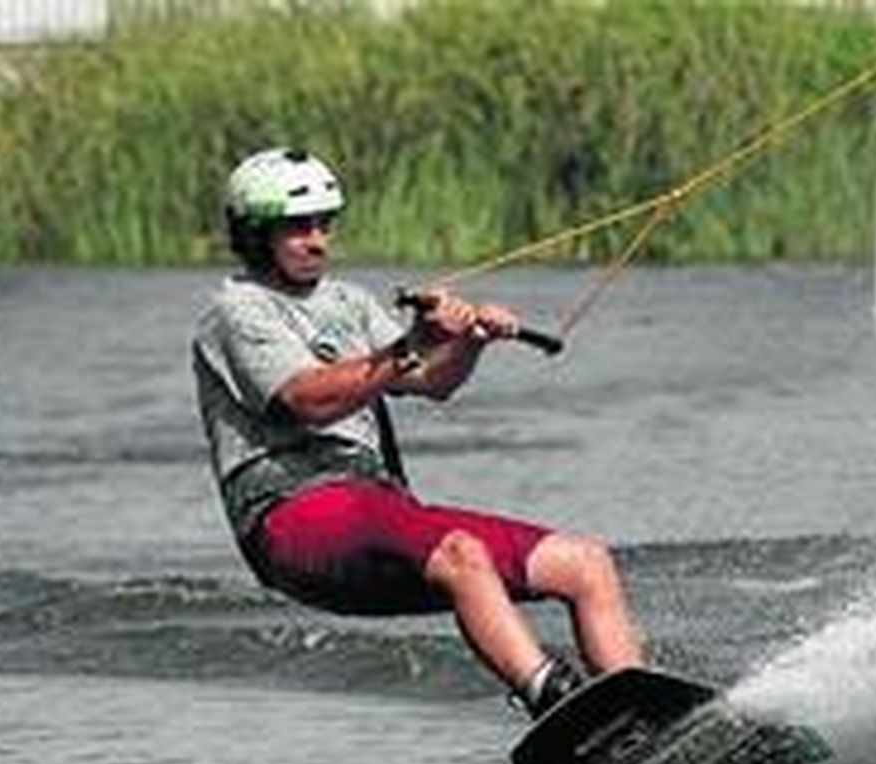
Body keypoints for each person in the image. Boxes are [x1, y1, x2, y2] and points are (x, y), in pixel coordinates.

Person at [192, 147, 646, 718]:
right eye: (297, 228)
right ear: (256, 234)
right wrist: (413, 343)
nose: (317, 240)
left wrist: (468, 340)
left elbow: (431, 381)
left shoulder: (348, 302)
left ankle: (643, 711)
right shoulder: (238, 312)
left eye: (323, 225)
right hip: (291, 516)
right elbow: (308, 399)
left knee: (585, 562)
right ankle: (558, 701)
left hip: (375, 507)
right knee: (462, 553)